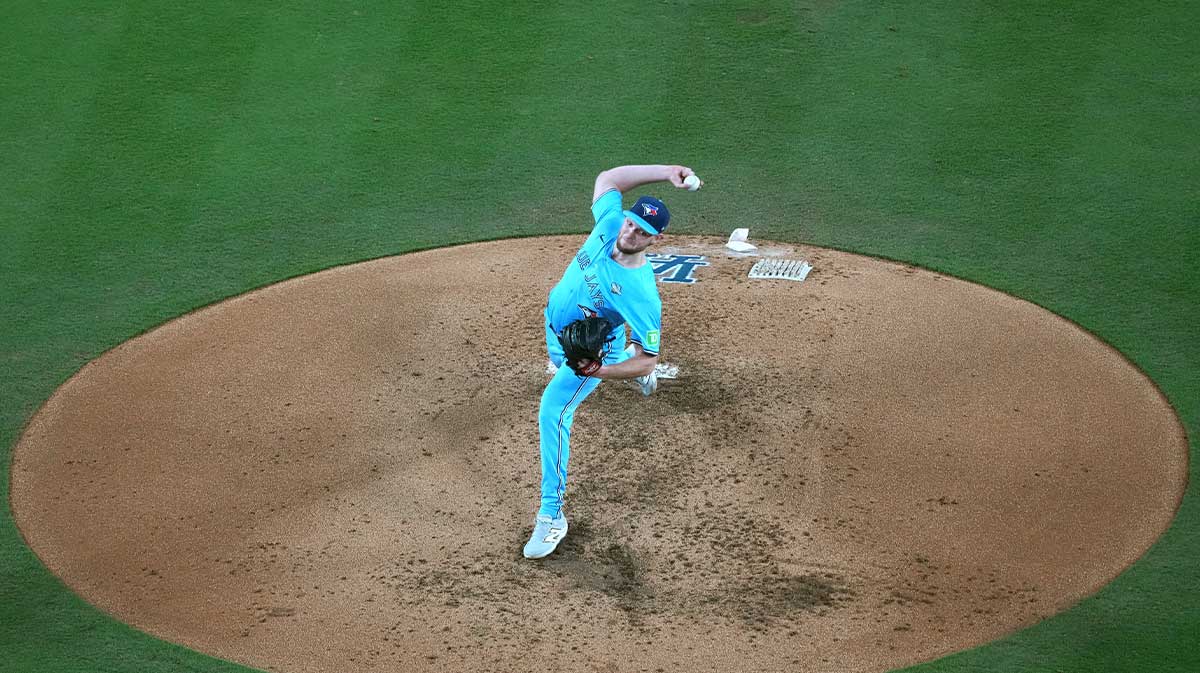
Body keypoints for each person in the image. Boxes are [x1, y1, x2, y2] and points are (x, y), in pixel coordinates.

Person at [523, 163, 701, 559]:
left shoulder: (641, 293)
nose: (630, 233)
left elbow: (649, 360)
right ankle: (615, 361)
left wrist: (599, 370)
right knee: (592, 357)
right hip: (557, 335)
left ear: (654, 239)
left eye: (642, 232)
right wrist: (666, 171)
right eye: (631, 223)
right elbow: (606, 179)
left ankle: (552, 516)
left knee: (553, 409)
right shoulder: (610, 223)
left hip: (589, 355)